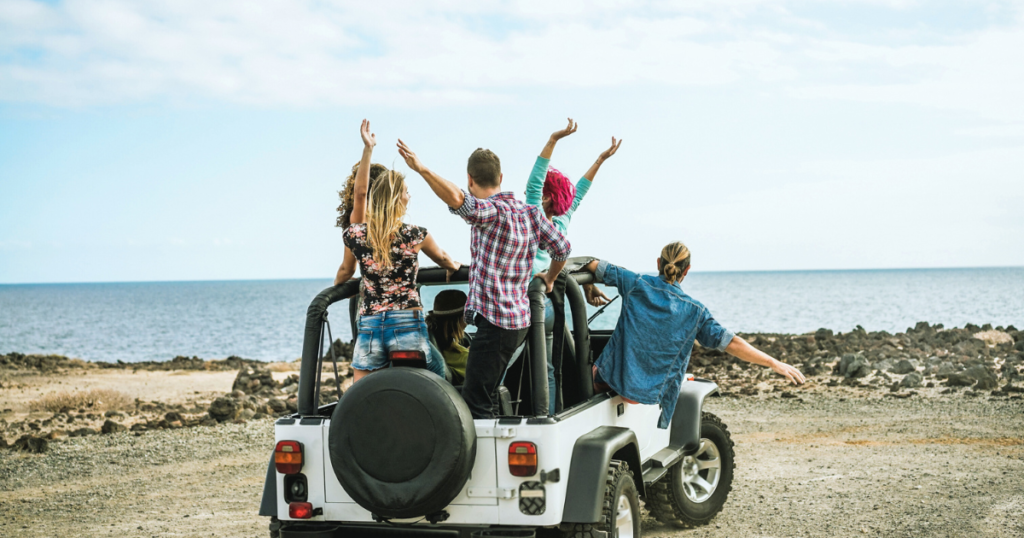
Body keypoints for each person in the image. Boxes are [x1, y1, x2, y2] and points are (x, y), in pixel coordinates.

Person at [396, 139, 571, 419]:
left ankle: (487, 462)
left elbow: (458, 200)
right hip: (519, 320)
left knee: (476, 403)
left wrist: (422, 169)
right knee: (486, 393)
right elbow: (563, 249)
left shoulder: (491, 212)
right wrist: (550, 278)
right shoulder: (531, 213)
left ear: (469, 179)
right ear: (500, 178)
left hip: (496, 324)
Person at [579, 241, 806, 428]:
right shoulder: (695, 311)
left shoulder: (635, 283)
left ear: (658, 263)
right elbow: (733, 343)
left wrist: (589, 287)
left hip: (612, 381)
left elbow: (590, 264)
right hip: (647, 394)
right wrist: (773, 362)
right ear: (686, 270)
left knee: (588, 372)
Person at [334, 120, 462, 382]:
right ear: (396, 199)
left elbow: (359, 195)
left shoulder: (356, 234)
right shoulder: (416, 235)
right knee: (436, 382)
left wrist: (336, 287)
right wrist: (452, 267)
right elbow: (443, 258)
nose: (409, 196)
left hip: (370, 324)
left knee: (362, 392)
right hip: (406, 323)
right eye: (406, 192)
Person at [523, 118, 622, 413]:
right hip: (550, 305)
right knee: (549, 367)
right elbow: (580, 191)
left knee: (500, 359)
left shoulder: (530, 212)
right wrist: (600, 160)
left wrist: (553, 140)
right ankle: (551, 413)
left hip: (524, 303)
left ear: (545, 195)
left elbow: (536, 176)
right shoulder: (563, 221)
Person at [426, 289, 472, 385]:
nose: (468, 321)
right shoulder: (465, 359)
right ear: (457, 321)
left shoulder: (433, 341)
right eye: (466, 316)